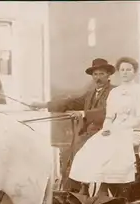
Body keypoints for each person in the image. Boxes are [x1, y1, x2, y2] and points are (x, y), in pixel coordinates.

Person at [31, 58, 116, 190]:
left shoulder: (114, 92)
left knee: (80, 160)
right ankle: (70, 195)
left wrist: (83, 114)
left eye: (101, 74)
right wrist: (43, 105)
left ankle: (77, 193)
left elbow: (107, 112)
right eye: (95, 74)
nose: (98, 78)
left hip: (105, 136)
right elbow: (70, 102)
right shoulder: (90, 94)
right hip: (88, 137)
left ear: (108, 75)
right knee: (68, 158)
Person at [69, 57, 140, 196]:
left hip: (132, 130)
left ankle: (108, 188)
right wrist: (106, 127)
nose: (125, 72)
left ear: (134, 72)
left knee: (112, 151)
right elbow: (110, 116)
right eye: (122, 70)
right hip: (113, 129)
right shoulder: (115, 92)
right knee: (90, 148)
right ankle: (90, 189)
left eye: (128, 69)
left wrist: (122, 127)